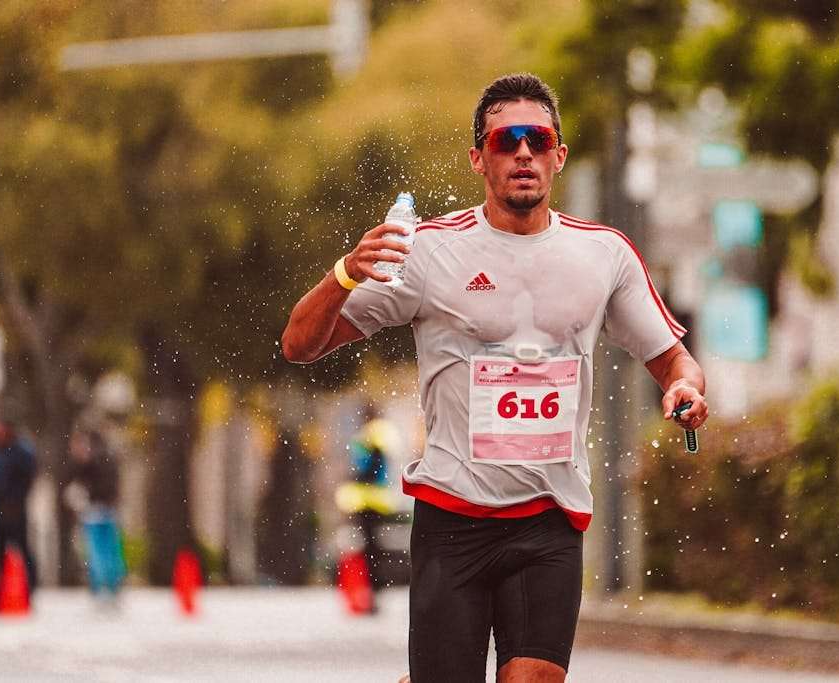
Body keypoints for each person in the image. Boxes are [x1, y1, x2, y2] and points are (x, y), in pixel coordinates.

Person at [282, 73, 708, 682]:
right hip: (452, 518)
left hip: (549, 520)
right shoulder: (427, 252)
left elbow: (672, 360)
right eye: (506, 141)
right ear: (479, 159)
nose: (523, 153)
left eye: (538, 139)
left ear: (560, 155)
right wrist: (345, 273)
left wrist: (684, 388)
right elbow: (300, 344)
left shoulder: (604, 254)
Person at [334, 402, 400, 612]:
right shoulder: (376, 434)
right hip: (370, 500)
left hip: (370, 501)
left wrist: (358, 477)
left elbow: (373, 466)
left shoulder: (374, 434)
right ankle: (372, 592)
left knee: (371, 549)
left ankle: (372, 591)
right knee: (372, 549)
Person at [0, 401, 38, 613]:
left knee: (22, 549)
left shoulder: (21, 451)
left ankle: (30, 590)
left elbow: (27, 479)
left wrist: (15, 500)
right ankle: (0, 595)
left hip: (16, 510)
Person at [67, 427, 126, 604]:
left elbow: (82, 482)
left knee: (98, 551)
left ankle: (102, 585)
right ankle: (112, 584)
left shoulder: (91, 462)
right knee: (109, 550)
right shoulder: (109, 459)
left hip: (95, 510)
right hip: (106, 509)